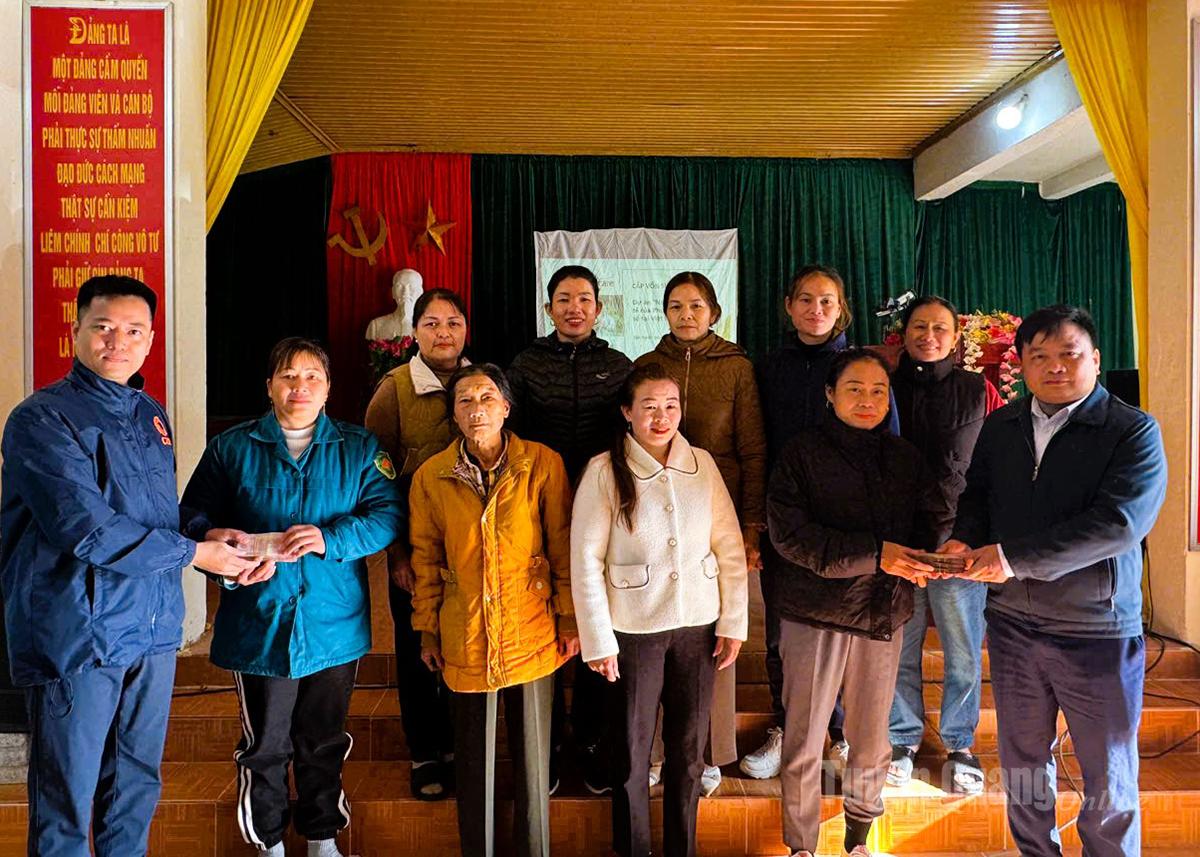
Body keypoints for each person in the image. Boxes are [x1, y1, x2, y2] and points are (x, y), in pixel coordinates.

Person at [0, 275, 258, 857]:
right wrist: (196, 554)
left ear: (149, 341)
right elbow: (86, 529)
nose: (118, 341)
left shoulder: (149, 415)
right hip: (79, 635)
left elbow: (156, 515)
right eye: (104, 327)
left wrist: (207, 534)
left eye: (134, 330)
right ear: (76, 332)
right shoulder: (41, 420)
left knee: (135, 787)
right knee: (67, 798)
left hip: (151, 631)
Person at [943, 305, 1166, 857]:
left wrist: (1013, 558)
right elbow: (977, 498)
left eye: (1069, 354)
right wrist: (961, 540)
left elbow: (1119, 524)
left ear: (1094, 359)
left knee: (1107, 775)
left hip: (1096, 630)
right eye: (1039, 356)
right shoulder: (1003, 425)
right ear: (1021, 364)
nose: (1055, 367)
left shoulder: (1131, 430)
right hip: (1015, 625)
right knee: (1021, 765)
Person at [181, 337, 404, 857]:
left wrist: (332, 540)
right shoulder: (231, 449)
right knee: (266, 744)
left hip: (333, 623)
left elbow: (388, 515)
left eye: (312, 378)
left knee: (323, 739)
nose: (299, 387)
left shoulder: (359, 448)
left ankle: (322, 836)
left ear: (328, 389)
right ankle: (269, 842)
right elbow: (191, 518)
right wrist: (218, 544)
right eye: (288, 377)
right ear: (269, 387)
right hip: (259, 620)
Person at [571, 362, 749, 857]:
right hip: (633, 630)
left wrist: (733, 621)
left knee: (689, 755)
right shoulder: (604, 471)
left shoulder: (703, 465)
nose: (661, 416)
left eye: (670, 405)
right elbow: (585, 561)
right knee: (630, 755)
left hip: (698, 626)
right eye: (649, 406)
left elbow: (729, 547)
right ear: (627, 412)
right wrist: (598, 639)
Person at [767, 348, 936, 857]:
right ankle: (801, 845)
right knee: (805, 738)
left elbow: (923, 526)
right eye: (854, 389)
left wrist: (931, 558)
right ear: (829, 395)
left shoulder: (906, 458)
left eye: (878, 390)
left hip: (883, 613)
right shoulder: (800, 453)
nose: (867, 400)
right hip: (813, 613)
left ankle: (859, 837)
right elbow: (792, 538)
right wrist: (876, 555)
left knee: (870, 738)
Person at [409, 364, 579, 857]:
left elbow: (563, 544)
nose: (476, 407)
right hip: (464, 631)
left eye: (487, 397)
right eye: (464, 400)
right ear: (454, 416)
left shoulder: (542, 464)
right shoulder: (431, 477)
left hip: (531, 625)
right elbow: (425, 560)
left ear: (506, 407)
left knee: (533, 763)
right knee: (473, 764)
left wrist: (568, 617)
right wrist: (428, 630)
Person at [744, 264, 898, 781]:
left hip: (852, 534)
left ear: (842, 309)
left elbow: (889, 451)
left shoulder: (863, 367)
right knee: (783, 631)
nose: (816, 310)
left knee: (844, 631)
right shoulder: (767, 368)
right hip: (789, 523)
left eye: (827, 301)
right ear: (789, 306)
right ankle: (789, 726)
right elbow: (755, 444)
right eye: (806, 300)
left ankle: (834, 735)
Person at [634, 270, 766, 794]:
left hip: (717, 511)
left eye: (696, 306)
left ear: (714, 312)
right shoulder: (648, 366)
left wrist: (751, 522)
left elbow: (753, 449)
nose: (686, 315)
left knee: (713, 636)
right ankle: (660, 752)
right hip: (652, 515)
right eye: (675, 306)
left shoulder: (736, 368)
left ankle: (709, 753)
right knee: (657, 635)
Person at [508, 264, 633, 793]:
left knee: (595, 615)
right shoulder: (526, 363)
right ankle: (550, 742)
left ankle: (591, 737)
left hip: (603, 507)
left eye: (584, 299)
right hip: (537, 507)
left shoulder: (620, 365)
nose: (574, 307)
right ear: (548, 308)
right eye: (563, 299)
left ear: (599, 309)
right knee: (546, 615)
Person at [886, 296, 1004, 793]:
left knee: (961, 649)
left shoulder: (980, 391)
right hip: (898, 546)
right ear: (903, 333)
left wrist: (976, 538)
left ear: (957, 338)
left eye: (940, 328)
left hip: (959, 544)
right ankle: (901, 740)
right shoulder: (882, 387)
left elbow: (999, 468)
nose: (928, 335)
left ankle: (960, 743)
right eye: (919, 326)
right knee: (900, 648)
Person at [364, 287, 470, 800]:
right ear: (416, 332)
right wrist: (397, 555)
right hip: (415, 547)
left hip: (471, 547)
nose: (443, 333)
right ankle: (426, 750)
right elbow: (376, 480)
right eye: (431, 324)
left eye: (452, 322)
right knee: (415, 649)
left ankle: (461, 746)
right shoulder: (395, 388)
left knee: (463, 642)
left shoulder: (482, 383)